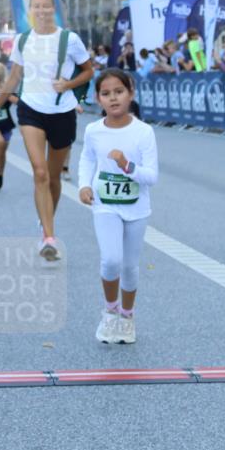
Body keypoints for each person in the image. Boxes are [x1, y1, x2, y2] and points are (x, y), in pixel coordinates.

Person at [0, 0, 94, 262]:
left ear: (53, 8)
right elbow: (12, 79)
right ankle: (48, 237)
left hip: (62, 111)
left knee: (55, 178)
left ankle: (46, 219)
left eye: (47, 6)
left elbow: (89, 71)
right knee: (40, 173)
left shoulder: (69, 40)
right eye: (37, 6)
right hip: (30, 109)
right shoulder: (23, 41)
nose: (42, 10)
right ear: (30, 10)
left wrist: (67, 84)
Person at [79, 69, 157, 345]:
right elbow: (87, 159)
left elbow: (152, 176)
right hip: (105, 205)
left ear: (131, 93)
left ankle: (127, 316)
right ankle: (110, 311)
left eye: (119, 92)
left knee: (130, 267)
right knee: (111, 259)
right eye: (106, 93)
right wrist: (84, 185)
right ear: (98, 98)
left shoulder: (143, 132)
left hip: (136, 207)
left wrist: (127, 166)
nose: (113, 98)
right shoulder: (93, 130)